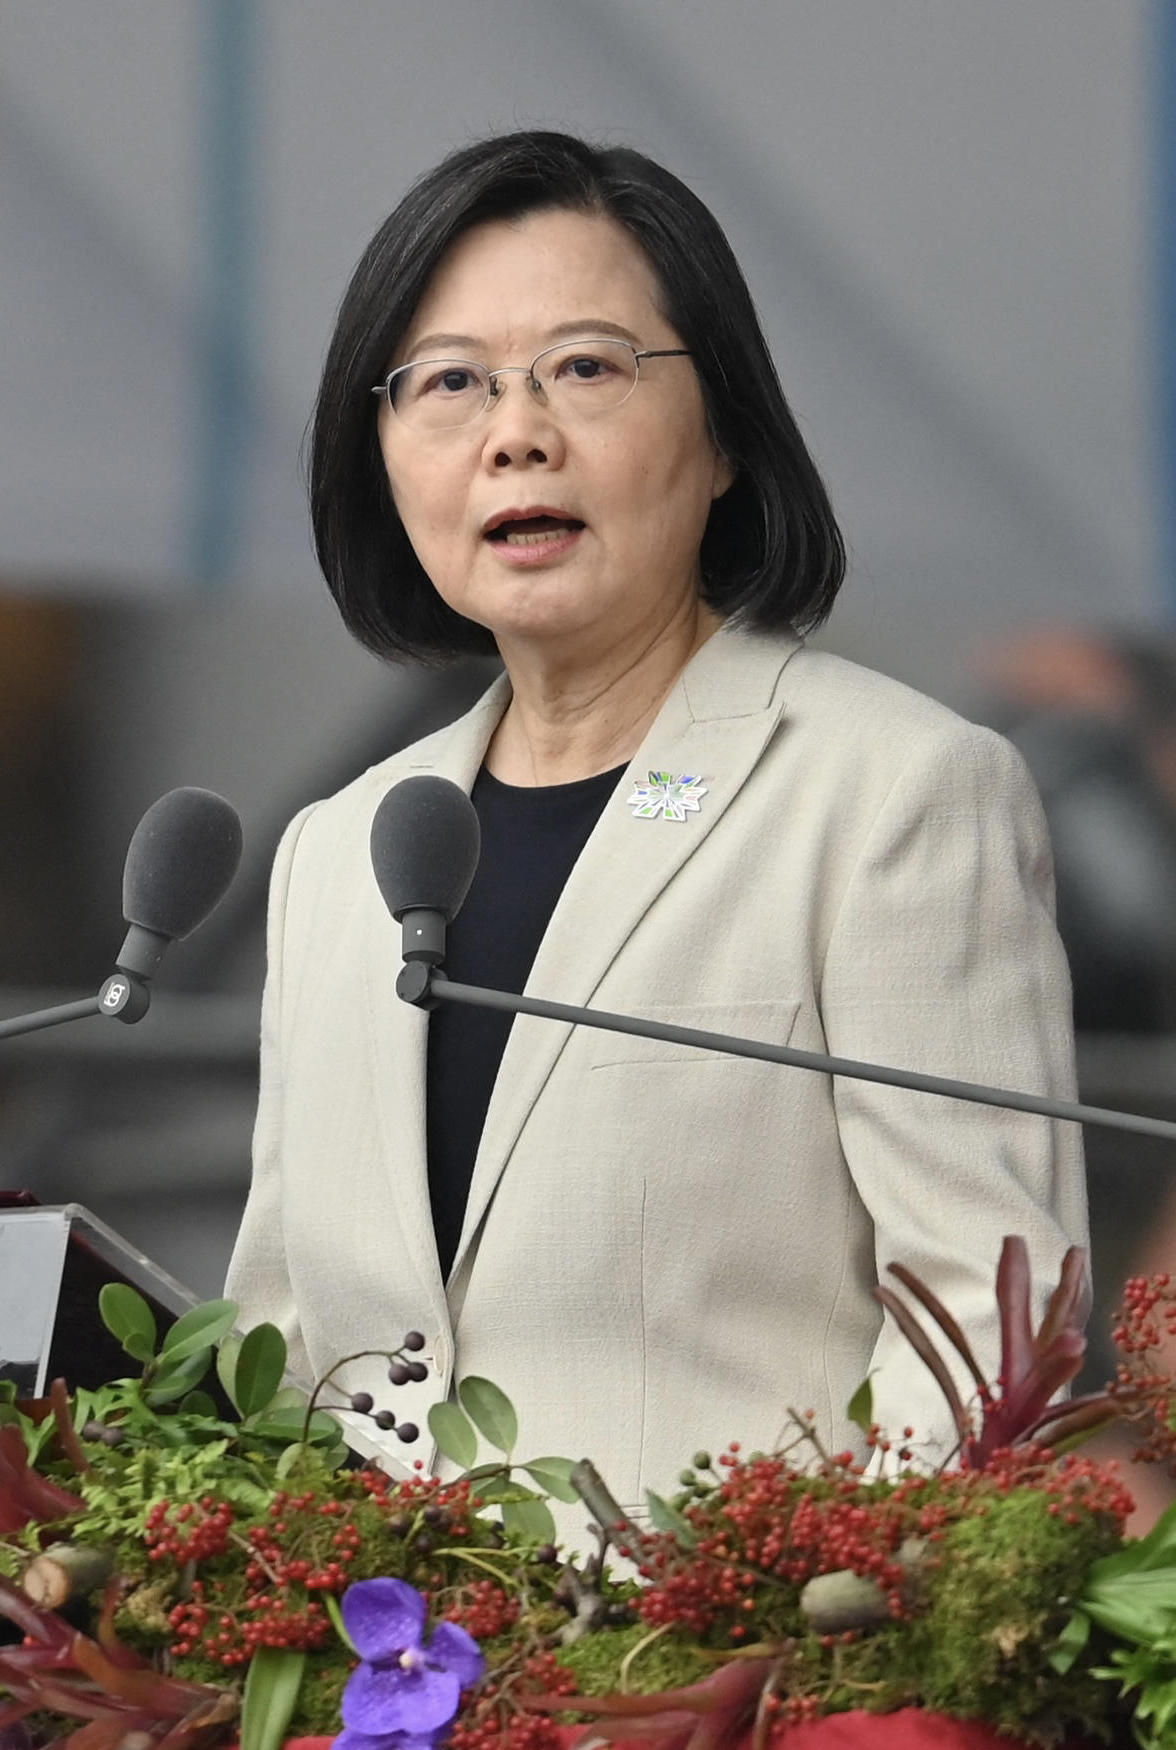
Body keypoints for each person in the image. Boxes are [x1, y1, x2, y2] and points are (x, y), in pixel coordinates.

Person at [225, 131, 1083, 1507]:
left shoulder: (888, 792)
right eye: (449, 383)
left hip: (729, 1688)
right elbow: (281, 1347)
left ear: (726, 434)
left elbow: (987, 1323)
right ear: (378, 451)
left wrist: (835, 1642)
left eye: (584, 367)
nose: (515, 432)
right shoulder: (340, 853)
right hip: (382, 1701)